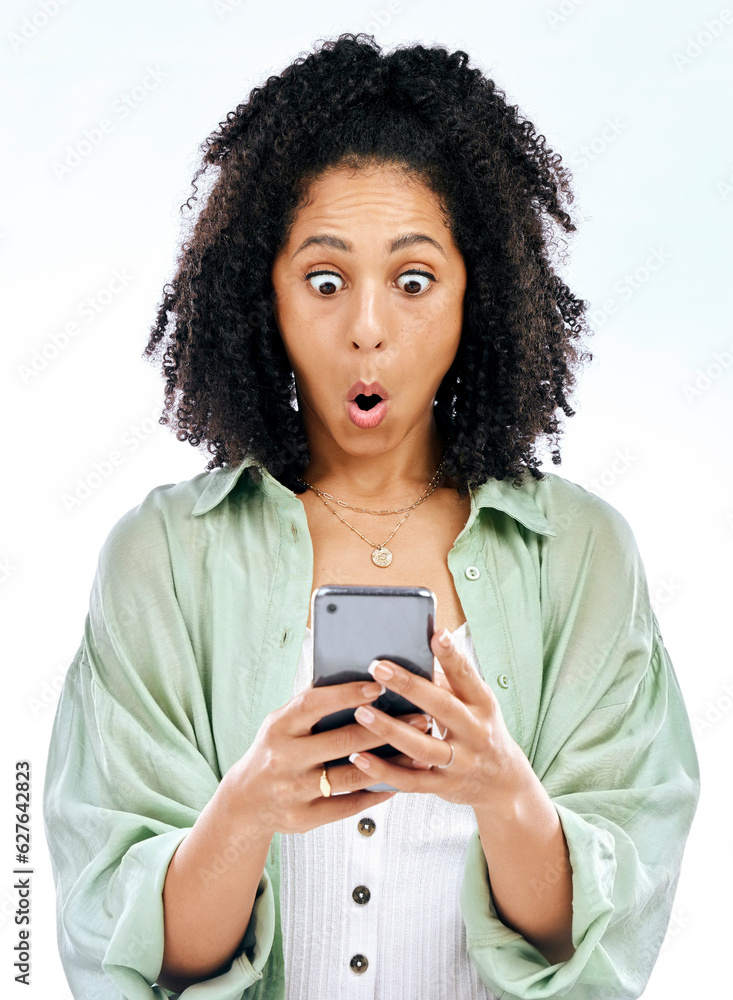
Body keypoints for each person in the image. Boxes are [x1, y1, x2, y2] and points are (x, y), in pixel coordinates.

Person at [43, 32, 700, 1000]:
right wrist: (248, 806)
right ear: (259, 295)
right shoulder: (162, 558)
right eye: (322, 279)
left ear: (479, 294)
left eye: (413, 280)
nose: (366, 327)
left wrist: (500, 790)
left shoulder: (583, 556)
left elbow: (606, 948)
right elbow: (130, 958)